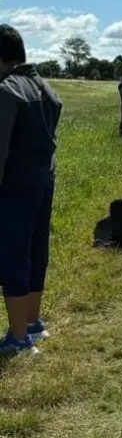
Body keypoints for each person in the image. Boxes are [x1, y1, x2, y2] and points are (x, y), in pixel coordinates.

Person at [0, 25, 62, 355]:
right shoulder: (46, 86)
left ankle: (18, 337)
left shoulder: (7, 90)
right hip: (43, 180)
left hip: (13, 186)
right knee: (37, 252)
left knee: (12, 256)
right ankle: (33, 323)